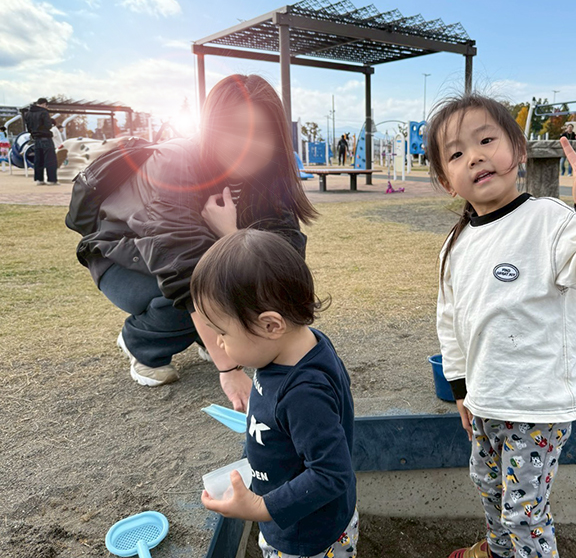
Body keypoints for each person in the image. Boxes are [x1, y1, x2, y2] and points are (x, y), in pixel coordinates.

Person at [427, 94, 576, 558]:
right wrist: (461, 390)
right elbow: (450, 323)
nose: (474, 156)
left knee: (525, 510)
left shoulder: (551, 222)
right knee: (488, 486)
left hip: (537, 403)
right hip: (485, 400)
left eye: (486, 140)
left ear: (517, 149)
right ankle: (498, 552)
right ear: (447, 180)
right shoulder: (454, 246)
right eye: (457, 153)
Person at [76, 74, 316, 410]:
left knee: (239, 276)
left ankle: (211, 335)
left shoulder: (270, 177)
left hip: (198, 256)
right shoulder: (176, 163)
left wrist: (230, 234)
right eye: (232, 130)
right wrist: (229, 368)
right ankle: (140, 342)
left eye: (260, 132)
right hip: (125, 259)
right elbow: (184, 274)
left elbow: (284, 262)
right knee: (185, 301)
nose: (246, 144)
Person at [195, 229, 358, 558]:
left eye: (221, 334)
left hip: (307, 536)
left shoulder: (304, 392)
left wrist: (260, 507)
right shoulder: (289, 349)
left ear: (271, 325)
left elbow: (331, 473)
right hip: (291, 513)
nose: (219, 346)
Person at [24, 97, 59, 186]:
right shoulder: (44, 112)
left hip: (36, 139)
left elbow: (28, 127)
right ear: (44, 104)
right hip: (46, 138)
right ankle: (51, 180)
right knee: (50, 159)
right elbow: (48, 126)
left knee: (38, 160)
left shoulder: (28, 113)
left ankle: (39, 179)